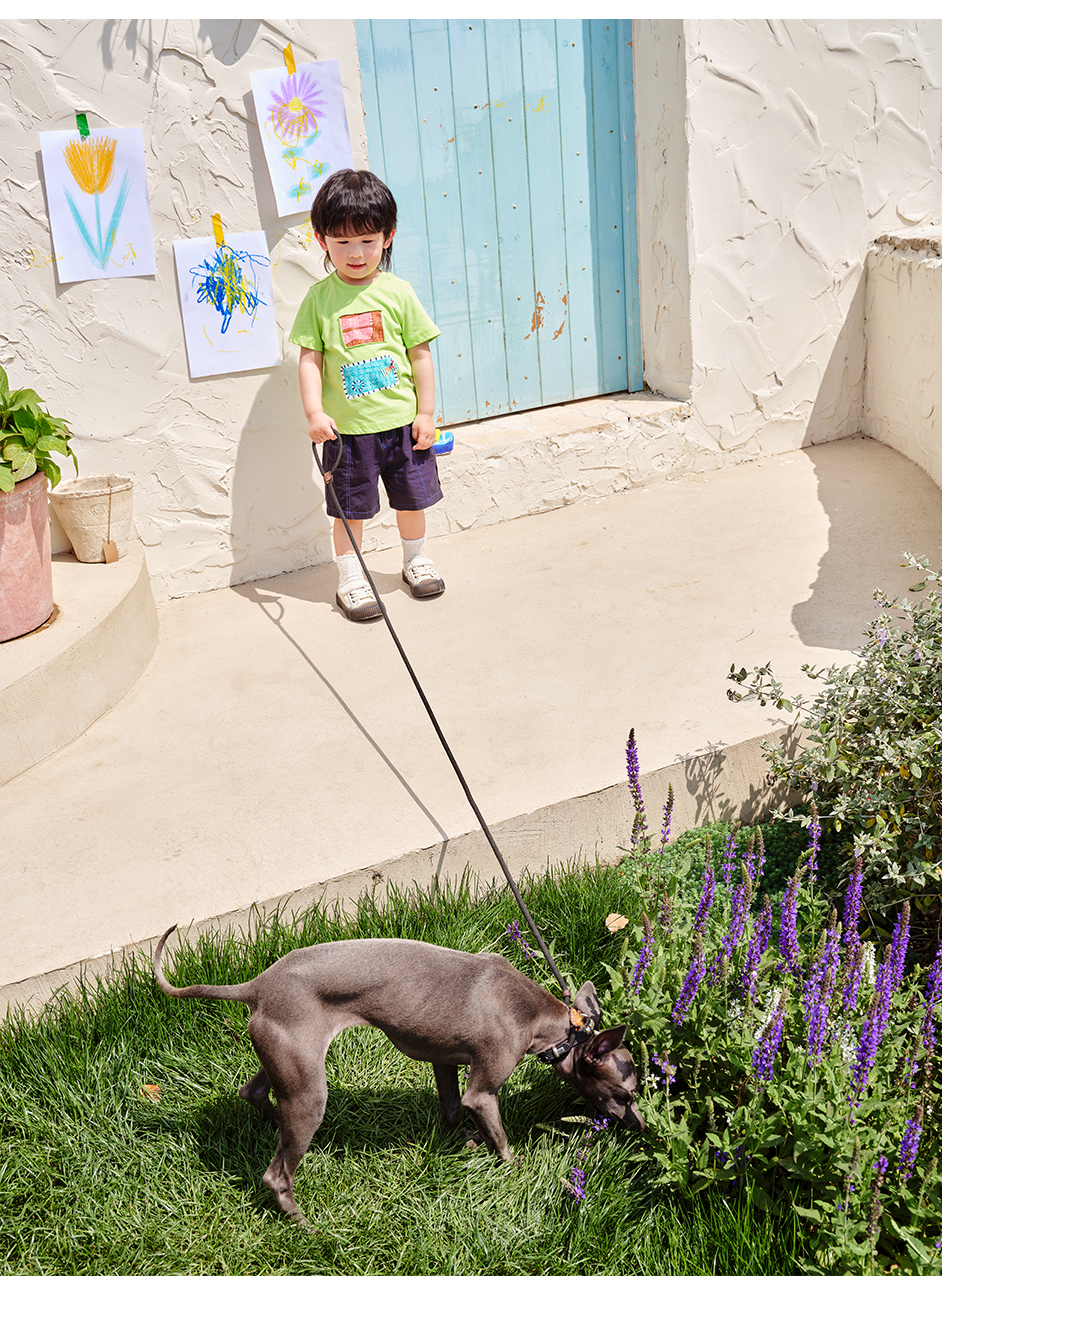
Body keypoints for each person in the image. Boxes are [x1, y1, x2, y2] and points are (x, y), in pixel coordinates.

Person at [290, 168, 445, 622]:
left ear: (388, 237)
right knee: (349, 510)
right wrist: (314, 411)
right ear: (321, 240)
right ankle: (352, 579)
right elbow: (310, 361)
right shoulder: (319, 300)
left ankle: (415, 560)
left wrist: (427, 413)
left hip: (402, 426)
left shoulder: (399, 293)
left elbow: (420, 355)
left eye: (368, 241)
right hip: (348, 434)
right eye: (342, 243)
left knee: (412, 500)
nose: (356, 254)